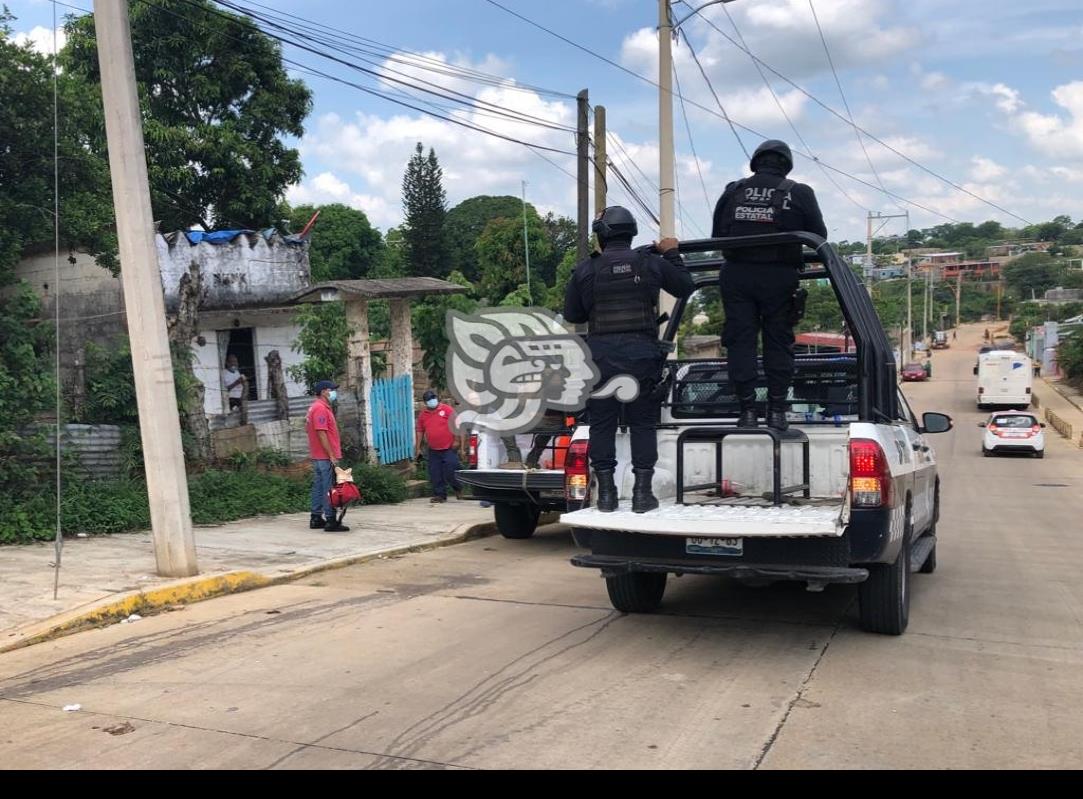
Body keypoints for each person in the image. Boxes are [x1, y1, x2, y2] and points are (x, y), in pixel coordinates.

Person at [563, 206, 695, 514]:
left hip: (600, 360)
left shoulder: (586, 270)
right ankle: (641, 494)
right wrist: (672, 254)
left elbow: (573, 314)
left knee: (602, 424)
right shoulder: (650, 262)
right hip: (641, 356)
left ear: (601, 236)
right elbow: (685, 286)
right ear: (632, 233)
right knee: (642, 424)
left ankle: (606, 495)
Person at [712, 139, 827, 431]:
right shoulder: (799, 192)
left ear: (756, 162)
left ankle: (747, 411)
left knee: (740, 342)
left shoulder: (733, 191)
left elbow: (717, 235)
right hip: (779, 276)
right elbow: (819, 236)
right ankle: (776, 410)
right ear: (786, 165)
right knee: (778, 341)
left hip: (737, 275)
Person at [306, 380, 347, 532]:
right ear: (324, 391)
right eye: (332, 389)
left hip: (318, 455)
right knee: (329, 487)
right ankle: (330, 520)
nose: (334, 392)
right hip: (324, 456)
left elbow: (308, 430)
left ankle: (316, 517)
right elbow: (321, 432)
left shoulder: (313, 408)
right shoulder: (320, 409)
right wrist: (331, 455)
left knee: (318, 487)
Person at [416, 389, 465, 504]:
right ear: (425, 402)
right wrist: (417, 448)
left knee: (451, 469)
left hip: (449, 447)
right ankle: (440, 495)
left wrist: (460, 444)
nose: (432, 401)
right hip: (433, 449)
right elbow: (419, 431)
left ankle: (457, 487)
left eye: (433, 398)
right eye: (429, 400)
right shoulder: (423, 415)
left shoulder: (447, 410)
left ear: (437, 399)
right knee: (435, 473)